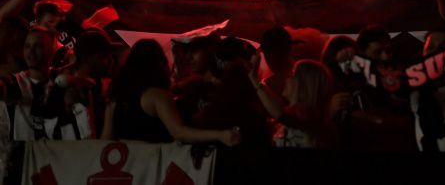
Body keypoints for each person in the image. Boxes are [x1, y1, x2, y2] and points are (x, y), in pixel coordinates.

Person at [103, 39, 239, 145]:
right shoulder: (157, 96)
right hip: (152, 166)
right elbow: (179, 132)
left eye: (194, 51)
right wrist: (219, 135)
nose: (188, 58)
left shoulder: (115, 100)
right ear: (158, 63)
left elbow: (105, 141)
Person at [249, 54, 335, 148]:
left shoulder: (311, 120)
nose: (287, 78)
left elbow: (281, 114)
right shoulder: (290, 116)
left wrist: (255, 79)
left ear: (305, 85)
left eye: (292, 74)